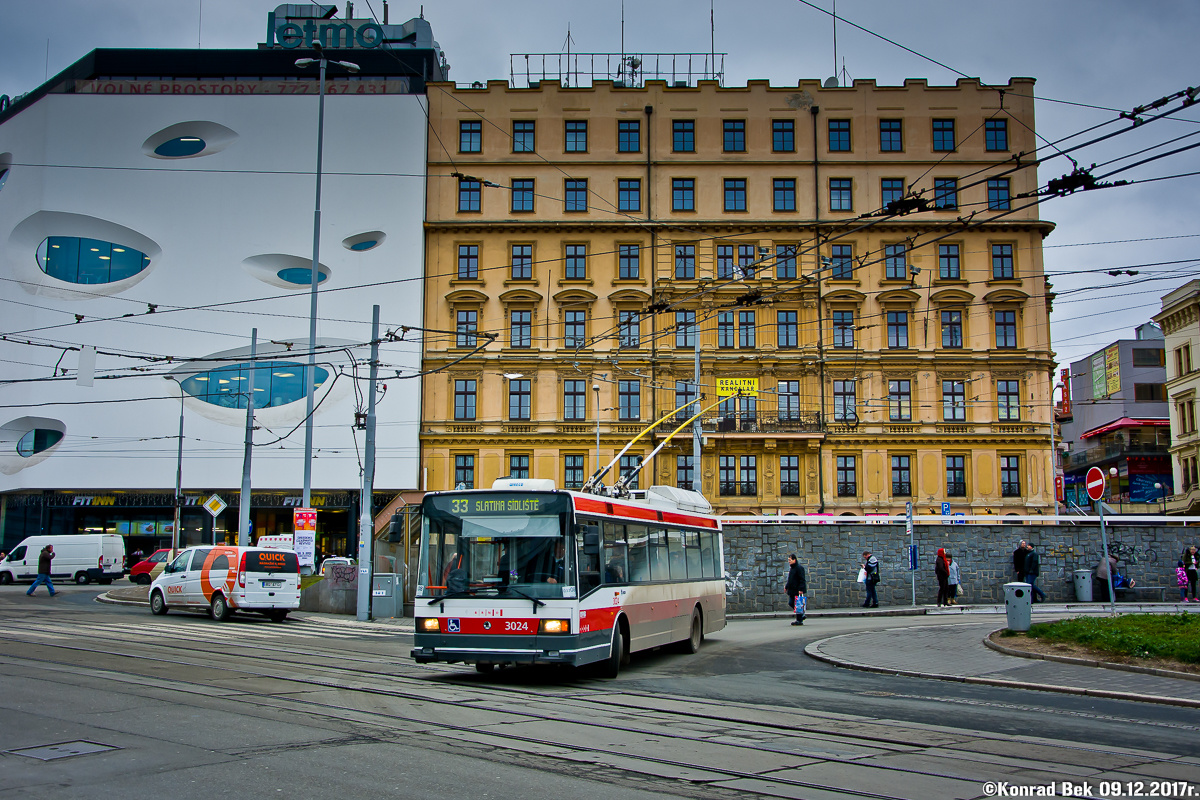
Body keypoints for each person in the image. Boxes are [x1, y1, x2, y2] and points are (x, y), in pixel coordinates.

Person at [785, 554, 807, 626]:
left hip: (797, 590)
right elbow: (790, 579)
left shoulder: (799, 568)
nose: (789, 561)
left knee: (797, 604)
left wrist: (801, 589)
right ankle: (801, 615)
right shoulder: (792, 568)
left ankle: (799, 619)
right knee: (792, 603)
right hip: (792, 590)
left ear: (794, 560)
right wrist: (786, 586)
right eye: (788, 560)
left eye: (790, 560)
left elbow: (802, 579)